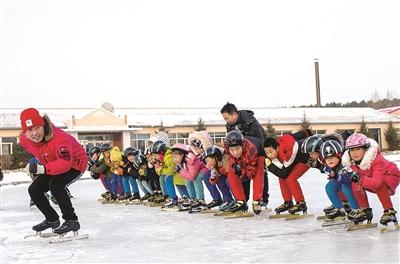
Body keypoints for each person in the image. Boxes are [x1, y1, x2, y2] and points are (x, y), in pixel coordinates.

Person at [20, 108, 87, 234]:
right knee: (34, 189)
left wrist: (43, 168)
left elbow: (65, 163)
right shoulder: (24, 140)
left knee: (56, 185)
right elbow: (39, 151)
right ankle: (52, 220)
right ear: (25, 133)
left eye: (37, 128)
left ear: (43, 126)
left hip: (75, 164)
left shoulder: (60, 138)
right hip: (51, 164)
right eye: (30, 130)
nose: (34, 133)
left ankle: (72, 221)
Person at [342, 133, 400, 226]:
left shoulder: (377, 160)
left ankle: (389, 211)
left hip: (391, 175)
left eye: (358, 149)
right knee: (355, 183)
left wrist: (360, 179)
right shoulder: (352, 162)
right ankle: (365, 210)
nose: (354, 152)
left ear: (365, 149)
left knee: (379, 185)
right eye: (352, 149)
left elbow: (376, 182)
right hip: (371, 177)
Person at [220, 102, 269, 207]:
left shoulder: (249, 120)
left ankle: (262, 199)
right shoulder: (230, 125)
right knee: (241, 171)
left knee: (260, 173)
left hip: (258, 149)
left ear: (234, 114)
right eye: (225, 119)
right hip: (241, 151)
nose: (227, 121)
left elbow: (260, 138)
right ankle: (243, 199)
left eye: (227, 118)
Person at [264, 134, 310, 215]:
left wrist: (270, 166)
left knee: (290, 179)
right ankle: (288, 202)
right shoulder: (278, 148)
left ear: (277, 148)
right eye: (267, 153)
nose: (269, 155)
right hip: (295, 160)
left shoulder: (289, 152)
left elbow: (283, 173)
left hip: (305, 159)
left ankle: (301, 203)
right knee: (281, 178)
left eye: (271, 152)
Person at [224, 130, 265, 214]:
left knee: (258, 173)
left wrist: (242, 172)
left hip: (259, 152)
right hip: (244, 156)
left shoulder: (251, 151)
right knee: (231, 173)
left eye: (237, 149)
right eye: (232, 150)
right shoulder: (228, 151)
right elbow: (231, 163)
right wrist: (237, 170)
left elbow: (251, 173)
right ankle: (240, 201)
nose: (235, 153)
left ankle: (256, 201)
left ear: (242, 145)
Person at [319, 140, 359, 219]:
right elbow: (323, 169)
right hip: (342, 183)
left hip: (352, 185)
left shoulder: (346, 164)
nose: (330, 160)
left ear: (339, 156)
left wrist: (337, 177)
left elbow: (349, 180)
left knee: (345, 186)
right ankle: (340, 209)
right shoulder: (328, 167)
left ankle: (356, 209)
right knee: (329, 186)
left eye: (332, 157)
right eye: (327, 158)